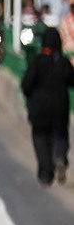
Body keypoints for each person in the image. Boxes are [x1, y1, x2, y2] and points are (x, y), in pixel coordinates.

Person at [20, 28, 74, 186]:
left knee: (40, 138)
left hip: (39, 109)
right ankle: (59, 157)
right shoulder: (63, 62)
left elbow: (26, 84)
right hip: (59, 109)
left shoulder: (37, 62)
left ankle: (45, 173)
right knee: (60, 135)